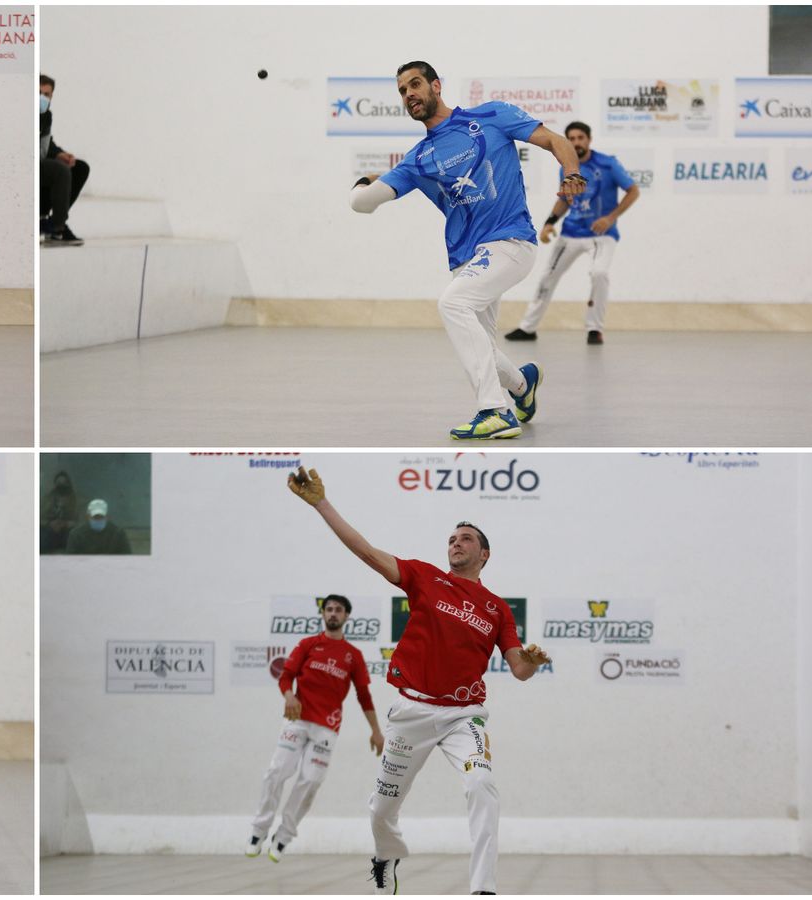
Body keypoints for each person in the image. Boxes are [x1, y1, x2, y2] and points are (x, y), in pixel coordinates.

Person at [285, 465, 551, 896]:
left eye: (466, 538)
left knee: (482, 784)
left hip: (463, 716)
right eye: (452, 538)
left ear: (485, 555)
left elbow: (518, 668)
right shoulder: (425, 578)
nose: (456, 543)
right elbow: (367, 552)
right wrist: (320, 503)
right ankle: (387, 855)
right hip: (411, 712)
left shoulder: (497, 609)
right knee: (381, 808)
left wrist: (533, 661)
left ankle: (483, 889)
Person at [349, 61, 587, 440]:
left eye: (415, 84)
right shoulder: (417, 159)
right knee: (483, 347)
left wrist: (572, 174)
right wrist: (364, 181)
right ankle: (523, 386)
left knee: (453, 305)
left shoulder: (492, 115)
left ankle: (494, 411)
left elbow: (556, 142)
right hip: (468, 258)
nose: (409, 94)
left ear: (436, 86)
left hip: (510, 242)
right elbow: (363, 203)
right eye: (402, 91)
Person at [245, 594, 381, 863]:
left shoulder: (353, 656)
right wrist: (289, 697)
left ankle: (283, 837)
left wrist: (375, 730)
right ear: (323, 614)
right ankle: (259, 830)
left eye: (338, 610)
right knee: (276, 772)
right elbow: (285, 677)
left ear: (346, 616)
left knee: (310, 782)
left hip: (327, 727)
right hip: (297, 720)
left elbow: (363, 695)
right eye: (329, 609)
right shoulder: (308, 644)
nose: (333, 613)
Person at [505, 121, 641, 345]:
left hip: (601, 235)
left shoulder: (608, 164)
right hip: (571, 233)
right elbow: (565, 200)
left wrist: (610, 217)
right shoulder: (567, 167)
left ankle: (594, 329)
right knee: (547, 276)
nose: (576, 142)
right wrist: (550, 222)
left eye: (580, 138)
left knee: (599, 274)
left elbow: (633, 191)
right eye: (572, 139)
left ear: (589, 139)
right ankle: (527, 328)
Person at [39, 74, 87, 247]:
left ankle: (50, 223)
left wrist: (59, 154)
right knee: (59, 171)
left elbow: (46, 143)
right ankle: (57, 226)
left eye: (46, 95)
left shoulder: (46, 115)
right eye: (38, 93)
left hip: (40, 161)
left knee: (80, 168)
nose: (42, 98)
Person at [66, 498, 131, 554]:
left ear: (107, 517)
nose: (98, 519)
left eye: (101, 517)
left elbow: (126, 557)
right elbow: (70, 559)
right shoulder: (76, 535)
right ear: (87, 517)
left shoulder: (118, 534)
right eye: (95, 517)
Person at [40, 470, 79, 554]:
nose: (61, 485)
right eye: (59, 482)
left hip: (67, 531)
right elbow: (39, 518)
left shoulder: (76, 499)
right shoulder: (48, 499)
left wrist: (65, 523)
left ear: (68, 483)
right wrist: (49, 523)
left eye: (64, 482)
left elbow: (80, 520)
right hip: (50, 530)